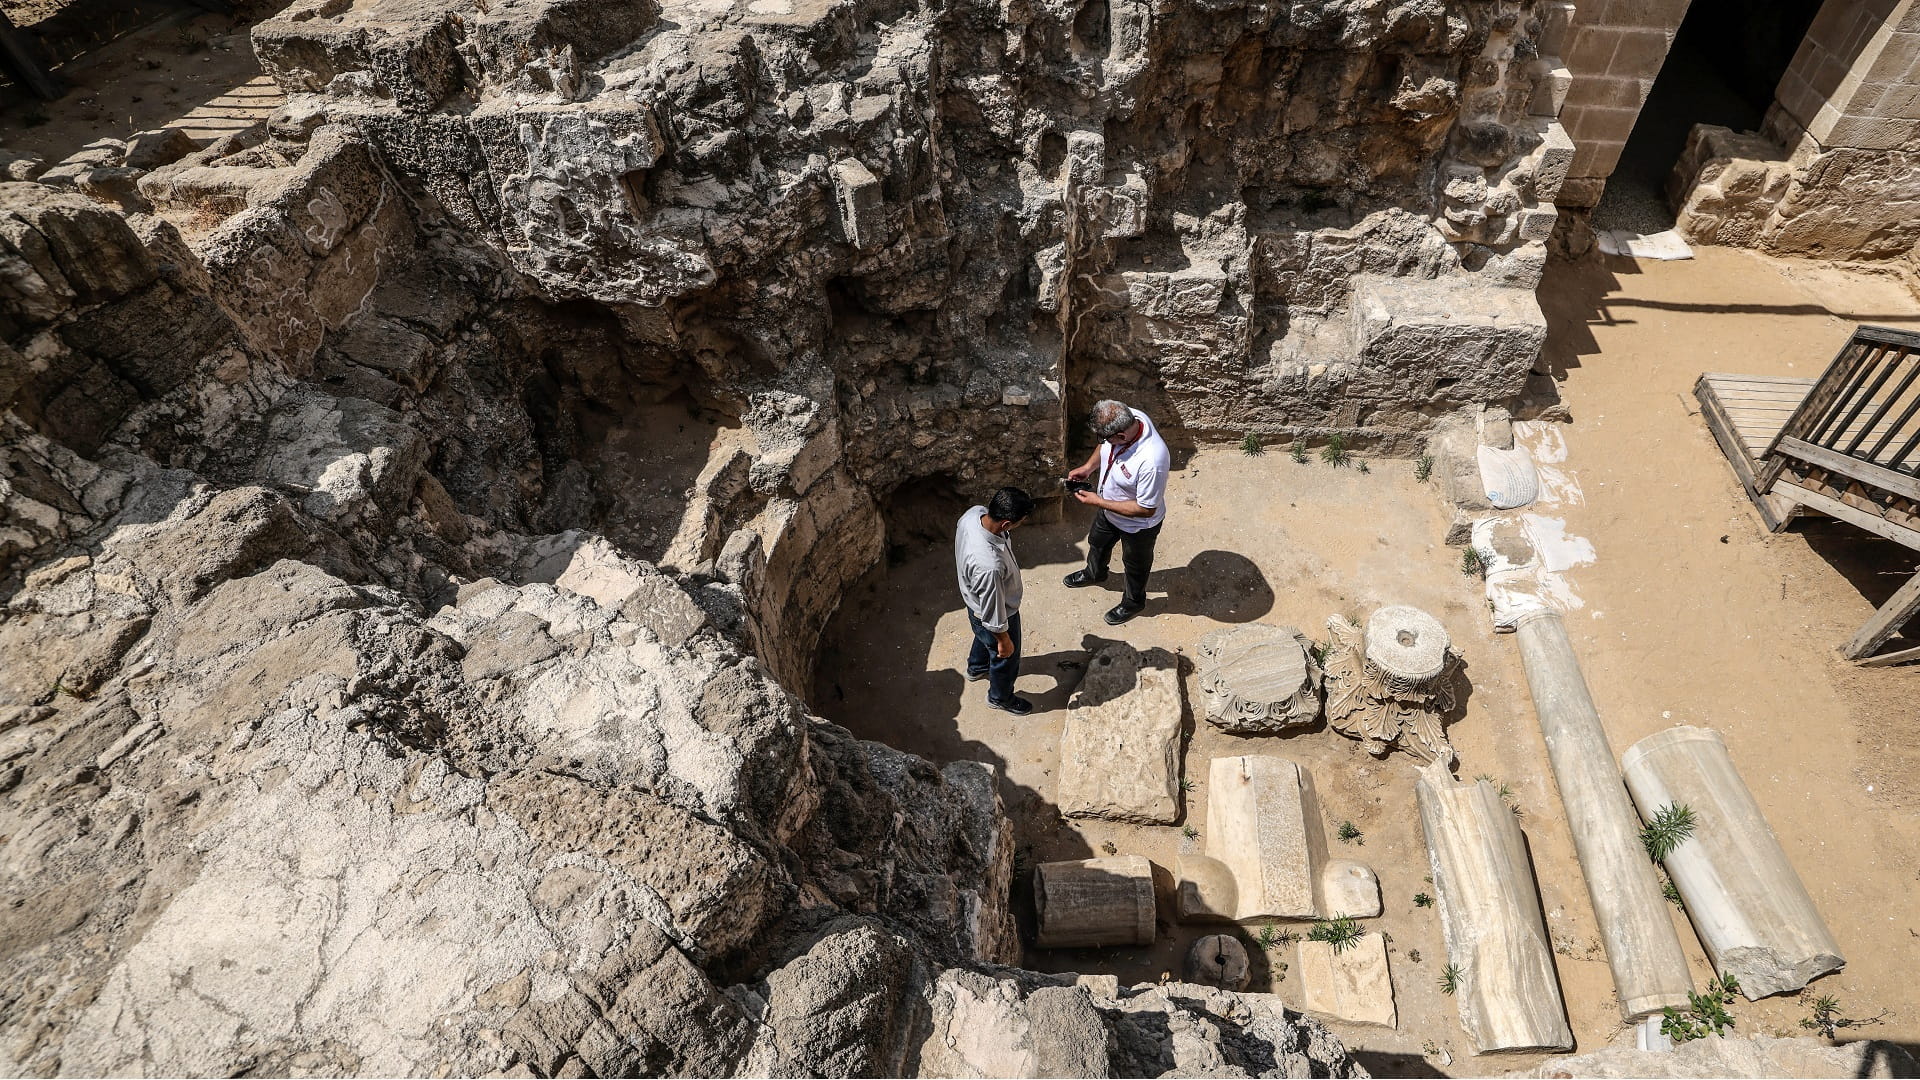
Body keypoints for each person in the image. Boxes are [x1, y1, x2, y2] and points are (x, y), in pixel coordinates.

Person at [1064, 399, 1170, 625]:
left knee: (1135, 566)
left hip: (1138, 527)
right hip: (1109, 510)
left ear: (1121, 437)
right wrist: (1087, 468)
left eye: (1105, 438)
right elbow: (1105, 446)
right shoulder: (1129, 417)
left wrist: (1098, 502)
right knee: (1097, 543)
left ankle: (1134, 602)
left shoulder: (1152, 460)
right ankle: (1095, 573)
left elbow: (1145, 509)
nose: (1102, 442)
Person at [955, 487, 1036, 714]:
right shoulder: (988, 566)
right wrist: (1004, 640)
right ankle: (1000, 697)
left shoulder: (974, 514)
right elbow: (992, 614)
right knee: (1005, 656)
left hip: (975, 604)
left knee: (982, 635)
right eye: (1020, 521)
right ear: (1006, 524)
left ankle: (977, 667)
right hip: (998, 613)